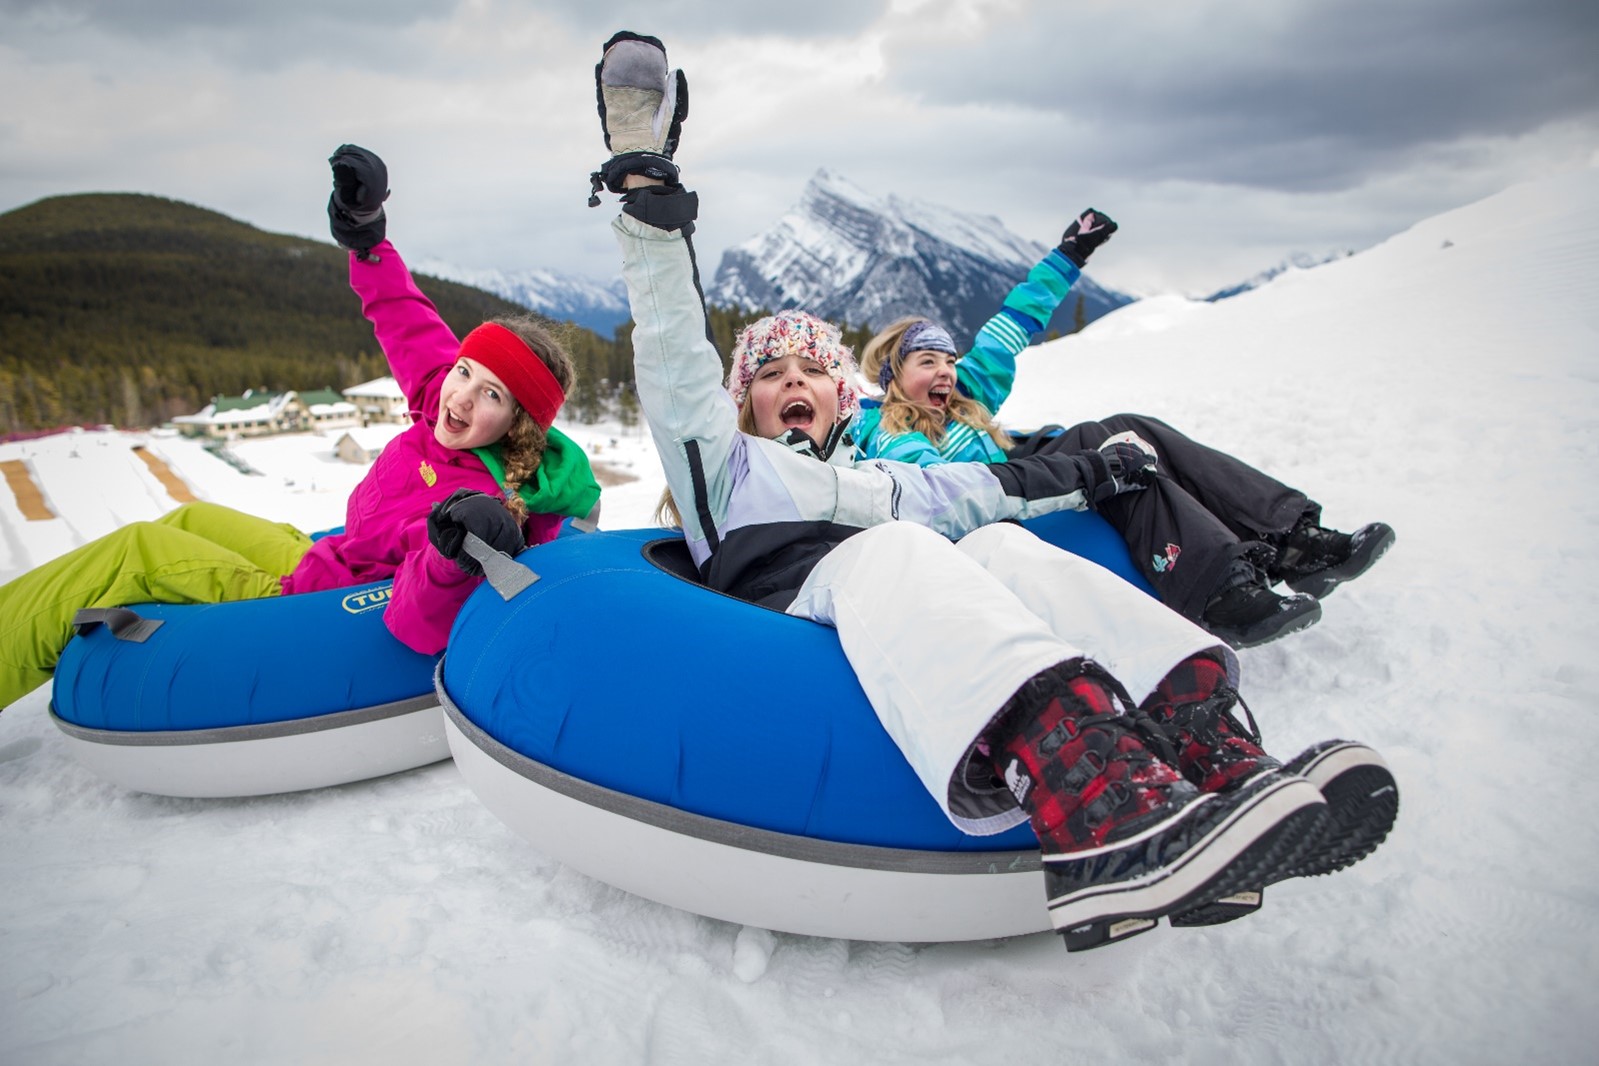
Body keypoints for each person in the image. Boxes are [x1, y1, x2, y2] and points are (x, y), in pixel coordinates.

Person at [586, 32, 1397, 949]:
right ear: (743, 403)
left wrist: (1098, 468)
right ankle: (1093, 812)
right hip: (786, 617)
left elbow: (986, 487)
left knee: (996, 544)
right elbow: (670, 353)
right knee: (895, 549)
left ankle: (1206, 749)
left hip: (904, 588)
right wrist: (649, 206)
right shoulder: (723, 469)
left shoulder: (875, 478)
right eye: (769, 374)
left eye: (810, 370)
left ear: (841, 393)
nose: (792, 384)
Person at [0, 146, 601, 709]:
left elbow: (418, 621)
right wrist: (367, 237)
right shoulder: (445, 407)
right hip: (330, 554)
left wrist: (454, 553)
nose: (461, 396)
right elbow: (408, 322)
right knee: (191, 518)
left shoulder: (475, 503)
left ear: (517, 422)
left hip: (314, 599)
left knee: (136, 549)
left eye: (490, 392)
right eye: (464, 370)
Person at [855, 236, 1396, 649]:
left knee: (1129, 428)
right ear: (891, 374)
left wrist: (1069, 253)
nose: (946, 371)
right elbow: (951, 499)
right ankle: (1219, 593)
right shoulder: (891, 436)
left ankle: (1294, 539)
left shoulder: (966, 395)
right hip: (999, 521)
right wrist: (1082, 468)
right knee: (1104, 447)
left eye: (949, 359)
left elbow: (1013, 321)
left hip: (1026, 478)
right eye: (928, 361)